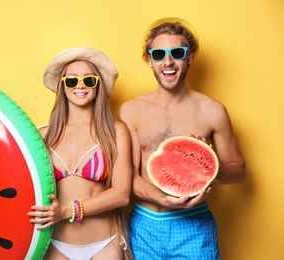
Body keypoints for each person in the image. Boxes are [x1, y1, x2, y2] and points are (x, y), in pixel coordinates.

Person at [119, 18, 246, 259]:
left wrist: (207, 168)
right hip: (145, 227)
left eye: (176, 53)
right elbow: (126, 176)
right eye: (158, 54)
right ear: (149, 60)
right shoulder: (131, 111)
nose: (168, 62)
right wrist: (162, 198)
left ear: (189, 57)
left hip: (194, 227)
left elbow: (239, 170)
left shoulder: (212, 110)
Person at [28, 47, 133, 260]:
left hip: (105, 246)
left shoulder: (115, 132)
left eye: (89, 80)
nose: (81, 85)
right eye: (72, 81)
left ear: (98, 86)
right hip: (56, 245)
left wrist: (66, 211)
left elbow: (122, 194)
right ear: (63, 87)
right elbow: (14, 172)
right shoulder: (42, 136)